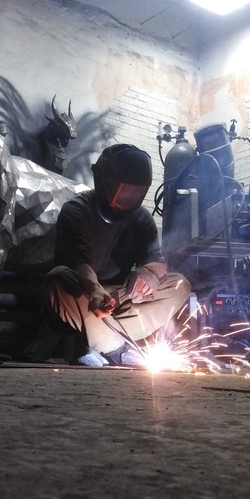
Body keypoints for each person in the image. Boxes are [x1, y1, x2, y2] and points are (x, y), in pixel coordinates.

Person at [45, 143, 191, 366]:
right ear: (103, 180)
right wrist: (94, 290)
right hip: (85, 294)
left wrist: (149, 275)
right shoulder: (76, 211)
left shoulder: (141, 218)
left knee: (179, 284)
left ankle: (103, 340)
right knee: (58, 278)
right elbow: (79, 262)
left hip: (120, 298)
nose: (129, 199)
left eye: (136, 193)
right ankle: (117, 349)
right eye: (126, 191)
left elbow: (157, 262)